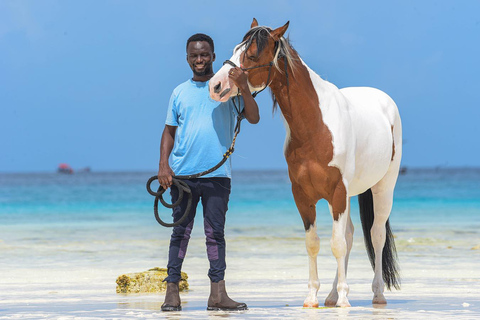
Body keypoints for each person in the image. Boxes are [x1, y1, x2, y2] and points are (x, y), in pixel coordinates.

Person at [157, 33, 260, 312]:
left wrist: (244, 87)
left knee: (216, 235)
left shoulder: (228, 89)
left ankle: (217, 295)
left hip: (217, 176)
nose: (199, 60)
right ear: (188, 58)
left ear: (213, 56)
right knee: (180, 233)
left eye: (204, 55)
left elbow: (253, 117)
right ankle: (172, 293)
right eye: (194, 55)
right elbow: (168, 131)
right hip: (183, 176)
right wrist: (163, 166)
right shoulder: (179, 92)